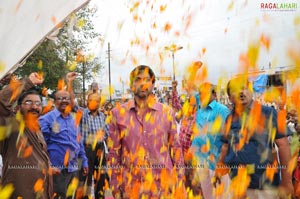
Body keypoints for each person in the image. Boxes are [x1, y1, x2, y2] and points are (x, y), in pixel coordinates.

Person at [107, 65, 185, 198]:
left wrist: (180, 181)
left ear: (153, 84)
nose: (143, 83)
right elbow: (114, 153)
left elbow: (175, 149)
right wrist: (115, 184)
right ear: (132, 84)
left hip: (164, 187)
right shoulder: (117, 114)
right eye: (138, 79)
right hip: (132, 187)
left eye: (147, 79)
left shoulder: (167, 113)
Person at [216, 76, 294, 199]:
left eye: (244, 88)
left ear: (251, 91)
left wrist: (287, 182)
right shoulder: (229, 120)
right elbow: (226, 146)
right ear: (230, 98)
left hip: (266, 187)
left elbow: (283, 145)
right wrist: (219, 168)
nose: (241, 92)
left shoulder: (269, 113)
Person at [0, 72, 53, 198]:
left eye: (38, 103)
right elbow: (1, 101)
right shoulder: (11, 124)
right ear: (18, 108)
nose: (34, 107)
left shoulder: (37, 129)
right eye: (28, 103)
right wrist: (27, 82)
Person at [39, 72, 88, 199]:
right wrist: (48, 166)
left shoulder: (73, 119)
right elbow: (40, 147)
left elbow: (79, 142)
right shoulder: (46, 120)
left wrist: (85, 162)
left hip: (73, 168)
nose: (64, 101)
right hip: (56, 170)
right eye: (60, 98)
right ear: (54, 102)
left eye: (66, 98)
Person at [190, 82, 230, 199]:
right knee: (207, 194)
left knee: (221, 194)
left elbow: (227, 136)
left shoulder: (222, 110)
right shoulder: (200, 108)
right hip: (201, 159)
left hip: (217, 160)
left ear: (214, 94)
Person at [78, 92, 110, 199]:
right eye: (91, 100)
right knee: (86, 177)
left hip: (100, 148)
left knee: (101, 176)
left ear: (99, 103)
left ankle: (99, 196)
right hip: (86, 148)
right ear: (87, 102)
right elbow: (72, 105)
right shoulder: (82, 113)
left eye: (96, 100)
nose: (93, 102)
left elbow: (107, 133)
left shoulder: (102, 116)